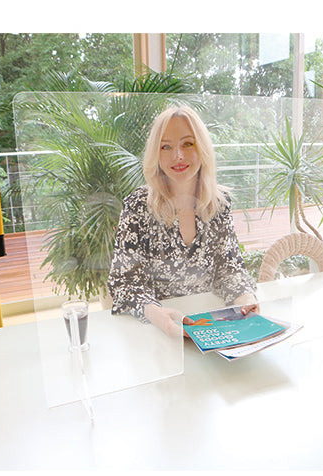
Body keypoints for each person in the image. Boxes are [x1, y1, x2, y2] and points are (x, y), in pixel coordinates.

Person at [107, 105, 258, 337]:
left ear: (202, 148)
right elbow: (123, 283)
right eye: (166, 147)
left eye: (187, 144)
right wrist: (158, 315)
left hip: (212, 326)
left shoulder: (219, 203)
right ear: (156, 154)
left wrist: (246, 299)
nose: (178, 156)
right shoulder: (138, 206)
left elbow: (229, 269)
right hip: (156, 331)